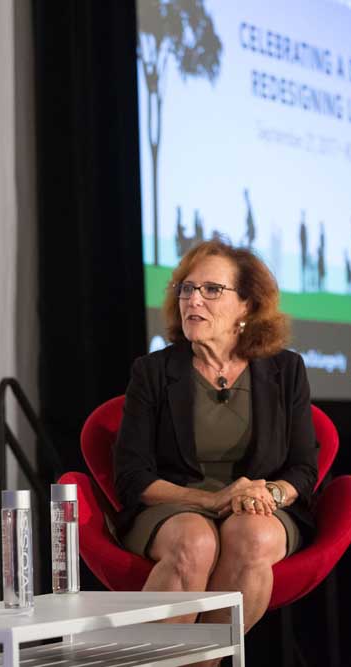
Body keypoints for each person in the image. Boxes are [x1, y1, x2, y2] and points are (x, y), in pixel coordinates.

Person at [114, 239, 317, 646]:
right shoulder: (153, 372)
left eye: (211, 290)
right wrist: (214, 500)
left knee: (253, 535)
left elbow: (303, 468)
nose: (194, 300)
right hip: (174, 506)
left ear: (246, 304)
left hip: (260, 507)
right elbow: (133, 477)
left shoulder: (285, 370)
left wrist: (269, 494)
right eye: (186, 289)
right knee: (195, 541)